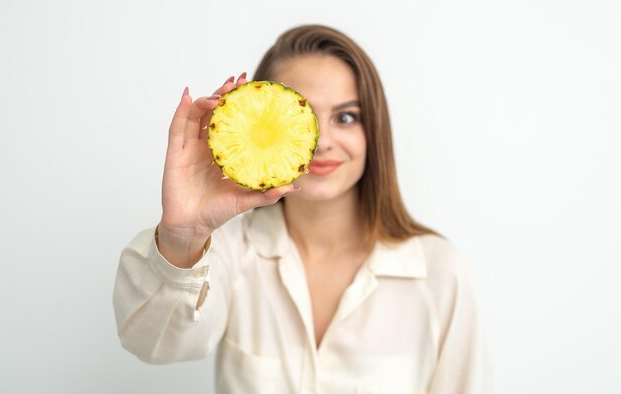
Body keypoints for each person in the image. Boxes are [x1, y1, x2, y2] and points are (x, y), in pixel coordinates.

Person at [113, 25, 489, 394]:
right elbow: (154, 344)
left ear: (374, 128)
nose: (322, 141)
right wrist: (183, 234)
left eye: (346, 117)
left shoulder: (440, 271)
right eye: (301, 115)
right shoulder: (228, 252)